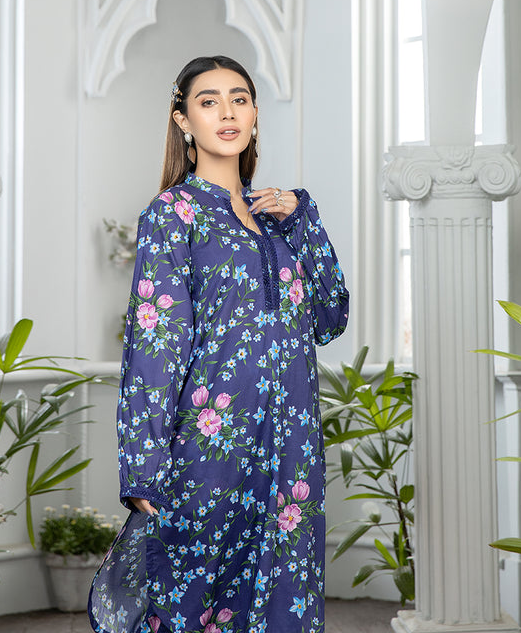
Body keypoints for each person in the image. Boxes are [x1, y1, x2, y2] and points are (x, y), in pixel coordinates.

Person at [89, 55, 349, 633]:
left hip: (290, 446)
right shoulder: (172, 214)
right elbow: (155, 346)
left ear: (255, 116)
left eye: (240, 99)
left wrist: (305, 219)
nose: (227, 113)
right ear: (183, 120)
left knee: (284, 597)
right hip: (212, 444)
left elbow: (331, 316)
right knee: (194, 602)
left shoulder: (280, 218)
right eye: (209, 102)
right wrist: (143, 466)